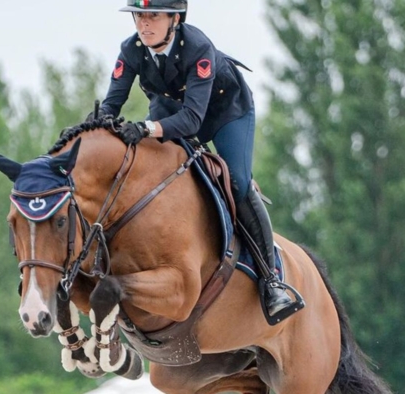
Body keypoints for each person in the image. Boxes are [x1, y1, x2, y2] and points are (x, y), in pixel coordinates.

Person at [93, 0, 302, 323]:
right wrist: (96, 129)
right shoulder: (131, 49)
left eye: (153, 16)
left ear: (175, 18)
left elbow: (192, 120)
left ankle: (272, 279)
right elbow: (112, 104)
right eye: (139, 16)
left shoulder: (198, 47)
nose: (144, 24)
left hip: (224, 114)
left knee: (237, 182)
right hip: (171, 110)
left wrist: (147, 128)